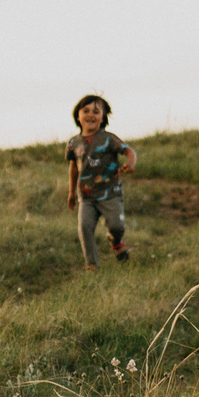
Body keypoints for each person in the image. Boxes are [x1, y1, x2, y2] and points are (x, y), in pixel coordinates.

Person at [64, 93, 134, 269]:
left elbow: (128, 151)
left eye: (96, 112)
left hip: (110, 193)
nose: (91, 115)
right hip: (86, 196)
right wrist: (71, 193)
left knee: (117, 226)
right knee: (85, 227)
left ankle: (115, 242)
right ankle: (92, 265)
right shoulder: (73, 143)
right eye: (86, 111)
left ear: (103, 118)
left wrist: (130, 162)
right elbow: (73, 168)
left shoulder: (108, 139)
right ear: (78, 116)